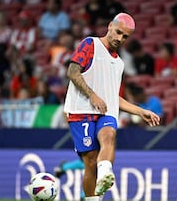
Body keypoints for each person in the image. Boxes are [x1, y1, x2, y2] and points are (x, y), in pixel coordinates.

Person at [63, 13, 160, 200]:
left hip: (105, 112)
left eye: (125, 36)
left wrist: (141, 111)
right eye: (118, 32)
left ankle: (106, 171)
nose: (119, 38)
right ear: (109, 26)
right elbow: (72, 72)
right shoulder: (90, 44)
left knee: (109, 134)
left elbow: (113, 98)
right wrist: (92, 96)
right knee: (90, 161)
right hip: (80, 111)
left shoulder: (119, 64)